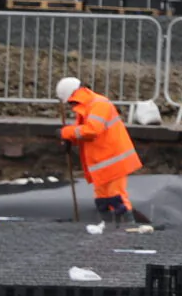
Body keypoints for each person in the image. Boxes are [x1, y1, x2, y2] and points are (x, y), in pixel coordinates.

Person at [57, 76, 146, 228]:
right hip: (102, 162)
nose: (71, 106)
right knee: (102, 199)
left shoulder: (99, 105)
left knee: (116, 197)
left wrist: (66, 133)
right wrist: (71, 141)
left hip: (113, 159)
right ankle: (109, 228)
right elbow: (84, 134)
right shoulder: (85, 108)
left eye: (71, 102)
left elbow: (92, 130)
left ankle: (127, 228)